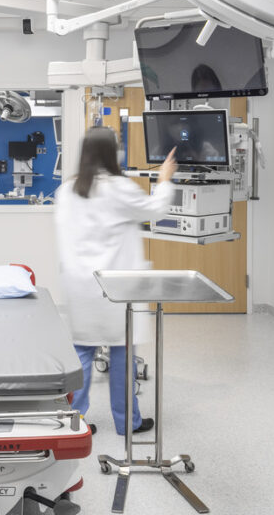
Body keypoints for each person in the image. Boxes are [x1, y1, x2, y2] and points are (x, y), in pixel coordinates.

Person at [54, 126, 177, 435]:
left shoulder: (66, 190)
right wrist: (164, 179)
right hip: (116, 286)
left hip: (80, 284)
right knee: (122, 351)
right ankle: (127, 422)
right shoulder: (119, 187)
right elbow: (157, 210)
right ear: (113, 153)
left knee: (82, 351)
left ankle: (74, 422)